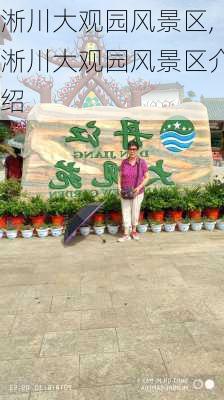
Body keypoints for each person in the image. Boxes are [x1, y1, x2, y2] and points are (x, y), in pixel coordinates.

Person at [117, 140, 149, 242]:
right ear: (128, 150)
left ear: (137, 150)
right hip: (125, 191)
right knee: (125, 211)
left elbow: (147, 177)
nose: (132, 151)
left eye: (134, 149)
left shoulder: (142, 163)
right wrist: (119, 187)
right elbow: (119, 176)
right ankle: (126, 233)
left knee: (135, 212)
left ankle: (134, 231)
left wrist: (139, 188)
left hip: (137, 192)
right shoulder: (124, 162)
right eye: (130, 149)